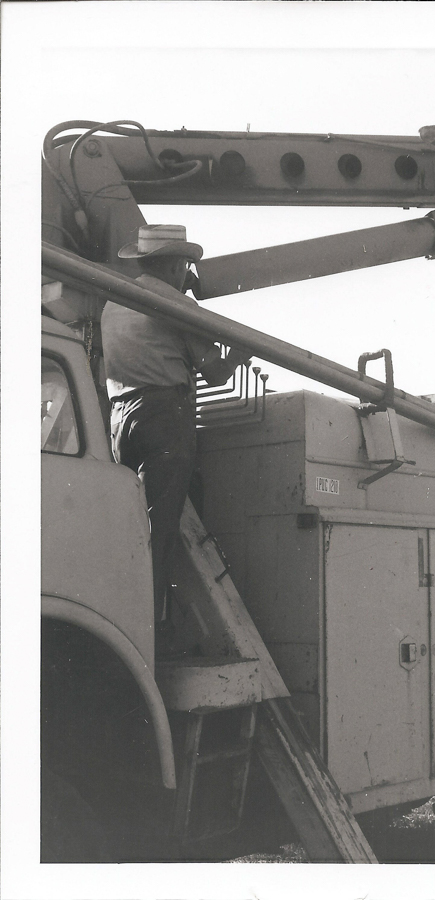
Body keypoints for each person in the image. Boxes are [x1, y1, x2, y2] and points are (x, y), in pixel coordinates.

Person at [100, 224, 248, 649]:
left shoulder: (115, 300)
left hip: (120, 419)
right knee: (158, 532)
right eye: (185, 265)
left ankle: (126, 620)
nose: (189, 272)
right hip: (164, 416)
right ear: (171, 264)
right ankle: (150, 632)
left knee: (132, 528)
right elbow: (215, 372)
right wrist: (243, 349)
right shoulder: (174, 303)